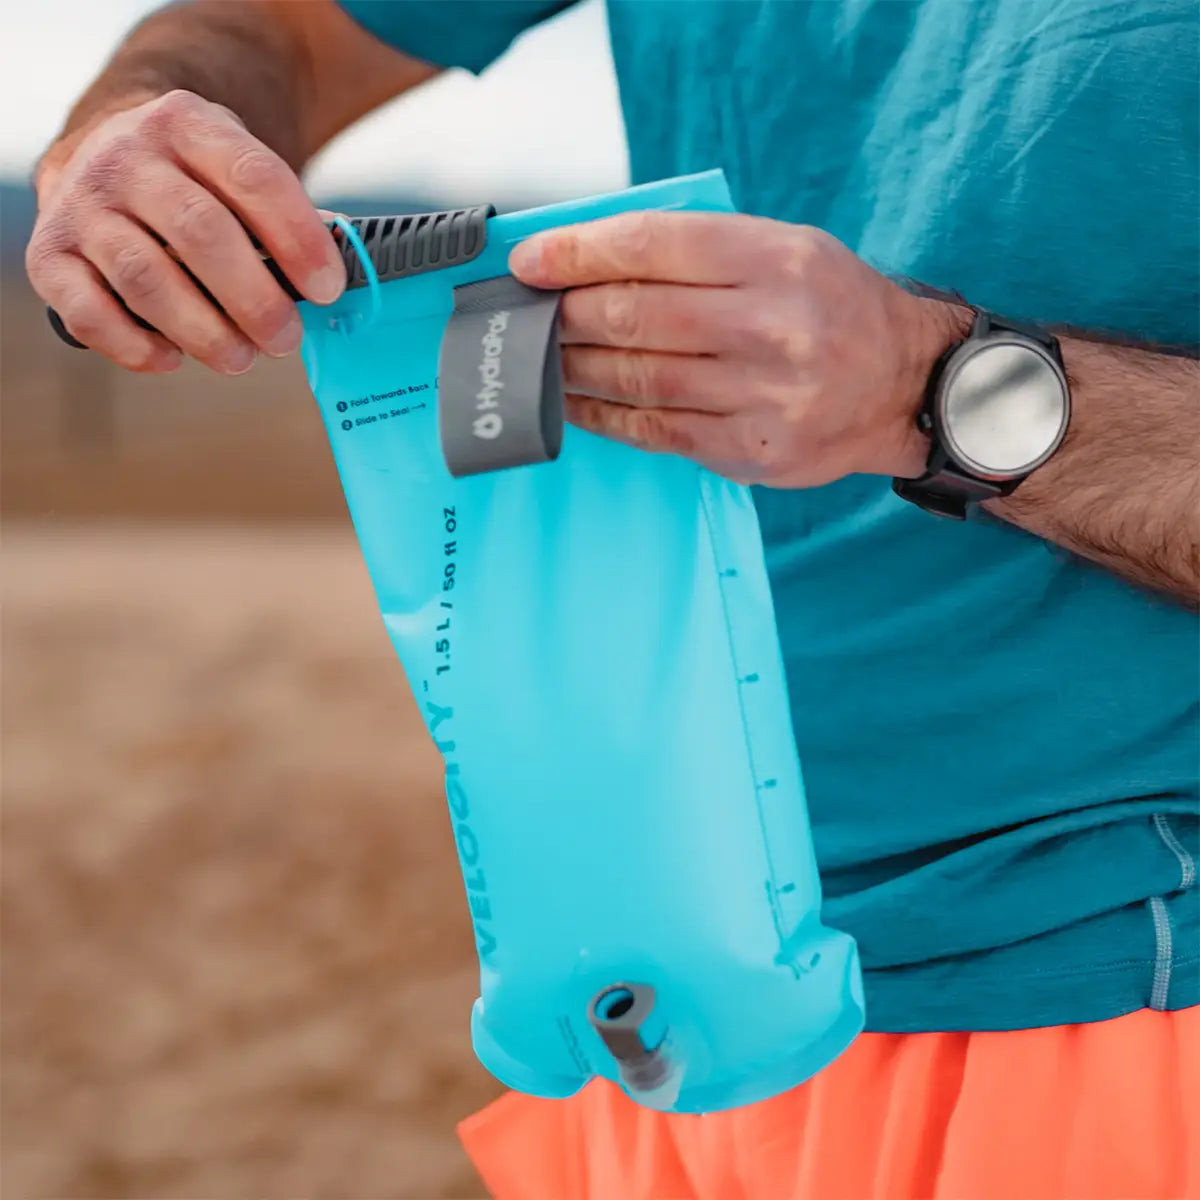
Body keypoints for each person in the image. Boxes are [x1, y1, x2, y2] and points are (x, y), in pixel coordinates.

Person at [26, 2, 1198, 1196]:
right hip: (682, 994)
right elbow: (284, 32)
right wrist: (131, 136)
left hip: (1135, 992)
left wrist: (933, 385)